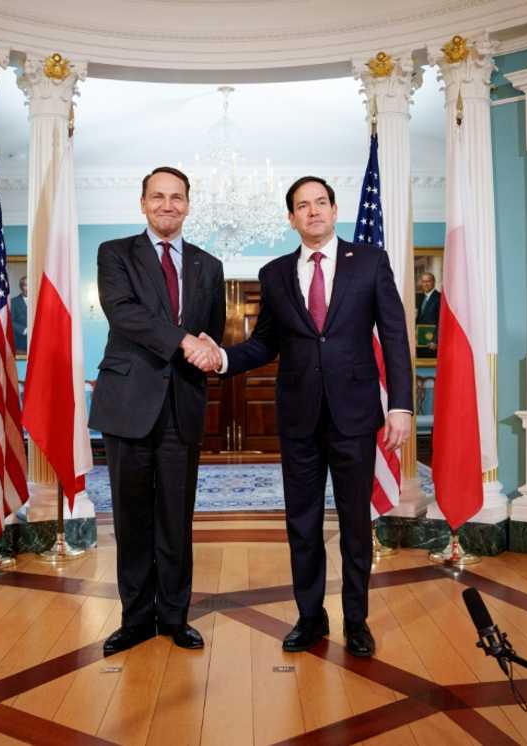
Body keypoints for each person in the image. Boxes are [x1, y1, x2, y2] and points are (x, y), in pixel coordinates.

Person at [192, 176, 412, 658]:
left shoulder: (370, 262)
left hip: (356, 416)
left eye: (320, 203)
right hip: (298, 419)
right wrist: (224, 359)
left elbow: (394, 336)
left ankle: (357, 621)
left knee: (355, 525)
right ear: (291, 218)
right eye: (301, 206)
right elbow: (265, 342)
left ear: (334, 210)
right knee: (303, 523)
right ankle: (311, 617)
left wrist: (399, 404)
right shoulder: (273, 274)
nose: (312, 212)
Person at [88, 166, 225, 656]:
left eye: (177, 197)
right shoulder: (115, 254)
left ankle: (174, 617)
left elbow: (212, 331)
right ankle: (135, 619)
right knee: (130, 517)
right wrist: (186, 340)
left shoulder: (209, 266)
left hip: (181, 406)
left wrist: (207, 347)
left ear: (189, 204)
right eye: (158, 197)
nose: (168, 205)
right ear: (143, 203)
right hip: (127, 404)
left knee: (175, 518)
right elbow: (124, 313)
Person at [10, 275, 28, 353]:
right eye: (26, 285)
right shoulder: (13, 302)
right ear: (21, 287)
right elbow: (10, 321)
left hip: (39, 343)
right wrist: (24, 330)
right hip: (21, 344)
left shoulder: (39, 300)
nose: (29, 288)